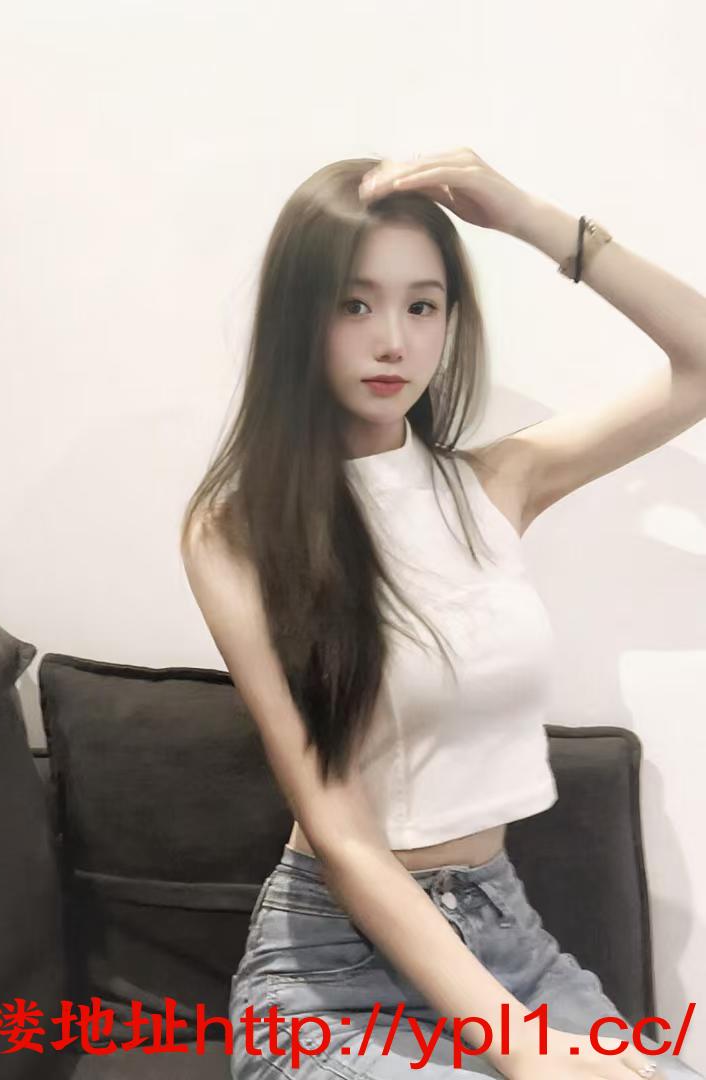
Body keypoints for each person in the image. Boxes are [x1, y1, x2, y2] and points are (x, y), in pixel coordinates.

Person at [180, 149, 706, 1079]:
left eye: (422, 306)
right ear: (299, 317)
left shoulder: (497, 484)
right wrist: (524, 1051)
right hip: (330, 973)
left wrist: (533, 218)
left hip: (506, 945)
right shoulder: (235, 531)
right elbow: (343, 836)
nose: (393, 341)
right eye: (355, 305)